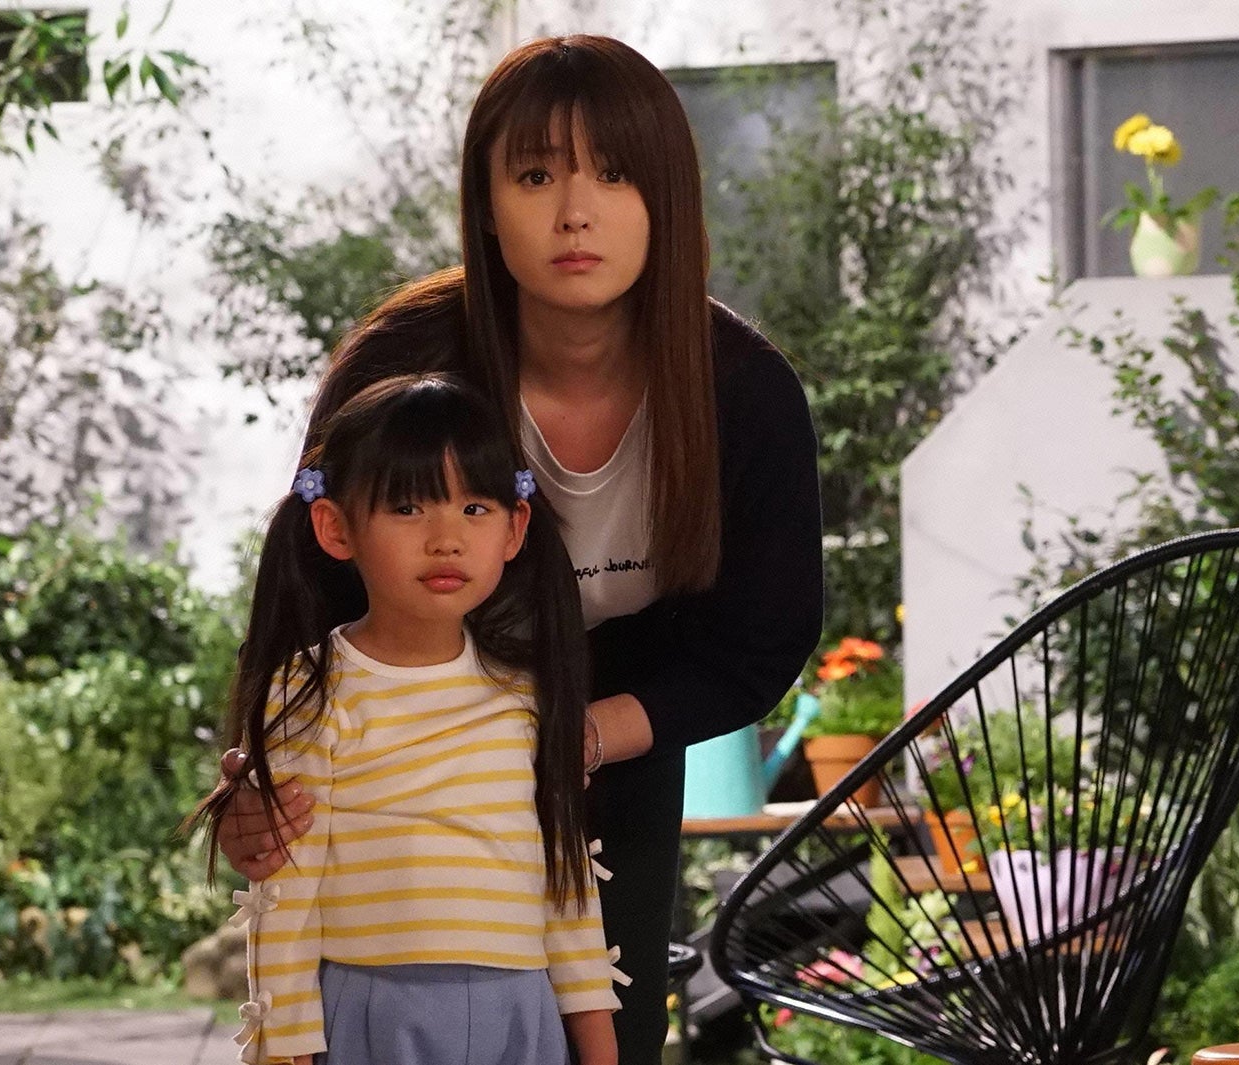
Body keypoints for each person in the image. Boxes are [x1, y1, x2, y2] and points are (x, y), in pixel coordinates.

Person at [210, 33, 825, 1064]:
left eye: (615, 175)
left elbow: (759, 639)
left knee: (609, 1015)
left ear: (668, 200)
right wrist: (262, 773)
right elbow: (310, 584)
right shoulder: (404, 366)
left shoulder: (744, 391)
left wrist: (582, 735)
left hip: (618, 720)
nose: (575, 213)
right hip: (399, 724)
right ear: (485, 202)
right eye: (536, 176)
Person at [194, 375, 620, 1065]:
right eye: (407, 506)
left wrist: (600, 1051)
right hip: (373, 1013)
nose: (446, 538)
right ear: (335, 527)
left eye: (475, 507)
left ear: (514, 528)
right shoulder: (309, 690)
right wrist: (285, 1046)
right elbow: (286, 887)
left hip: (523, 1012)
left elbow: (565, 887)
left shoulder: (526, 695)